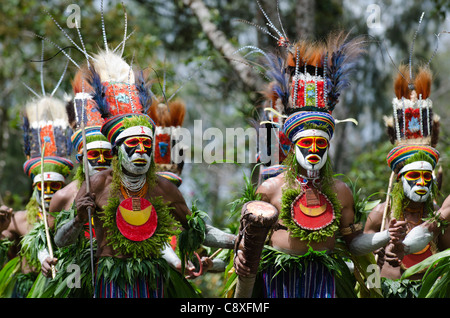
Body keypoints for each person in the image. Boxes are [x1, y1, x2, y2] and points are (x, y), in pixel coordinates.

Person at [233, 29, 407, 298]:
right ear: (292, 146)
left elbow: (354, 244)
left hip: (323, 281)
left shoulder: (339, 191)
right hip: (278, 281)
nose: (314, 149)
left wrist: (387, 236)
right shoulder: (270, 189)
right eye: (306, 144)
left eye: (320, 144)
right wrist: (241, 256)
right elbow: (248, 239)